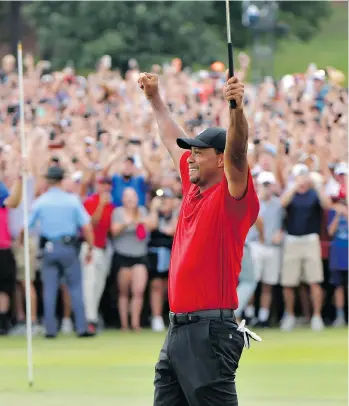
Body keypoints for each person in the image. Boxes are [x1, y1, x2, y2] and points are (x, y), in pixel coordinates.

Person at [138, 71, 260, 406]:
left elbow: (237, 151)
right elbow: (169, 135)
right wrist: (155, 99)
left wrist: (235, 108)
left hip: (209, 332)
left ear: (219, 160)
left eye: (199, 152)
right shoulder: (194, 186)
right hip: (179, 329)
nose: (190, 156)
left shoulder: (230, 196)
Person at [25, 166, 95, 338]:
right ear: (62, 180)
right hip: (68, 247)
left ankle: (50, 329)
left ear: (48, 180)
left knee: (49, 289)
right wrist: (91, 248)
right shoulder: (72, 200)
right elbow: (86, 226)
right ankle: (81, 327)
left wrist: (21, 242)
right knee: (76, 287)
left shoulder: (41, 201)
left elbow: (26, 227)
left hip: (49, 247)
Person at [280, 164, 331, 331]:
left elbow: (327, 205)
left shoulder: (314, 193)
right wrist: (294, 186)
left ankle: (317, 317)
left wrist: (317, 186)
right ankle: (290, 315)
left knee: (314, 281)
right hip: (292, 239)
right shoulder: (291, 193)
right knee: (288, 283)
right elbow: (282, 203)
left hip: (310, 239)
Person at [111, 187, 157, 331]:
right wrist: (129, 223)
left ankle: (135, 323)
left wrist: (145, 217)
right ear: (123, 199)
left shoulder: (142, 211)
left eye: (133, 196)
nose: (131, 199)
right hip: (123, 256)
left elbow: (152, 225)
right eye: (127, 196)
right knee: (124, 292)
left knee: (138, 291)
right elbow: (114, 230)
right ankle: (124, 324)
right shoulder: (117, 212)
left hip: (139, 256)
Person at [82, 175, 114, 333]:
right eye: (103, 184)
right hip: (90, 247)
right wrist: (101, 205)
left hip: (103, 247)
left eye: (108, 184)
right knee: (90, 284)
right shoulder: (90, 201)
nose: (106, 187)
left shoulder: (111, 205)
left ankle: (92, 317)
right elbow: (90, 224)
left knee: (99, 285)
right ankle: (90, 319)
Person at [148, 189, 179, 332]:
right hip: (155, 253)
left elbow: (171, 230)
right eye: (161, 199)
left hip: (173, 253)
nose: (164, 202)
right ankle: (156, 317)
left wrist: (176, 208)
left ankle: (171, 316)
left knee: (170, 288)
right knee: (156, 285)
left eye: (167, 198)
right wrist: (154, 209)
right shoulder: (154, 214)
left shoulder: (176, 213)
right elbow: (152, 226)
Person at [0, 170, 24, 334]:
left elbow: (13, 202)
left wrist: (20, 180)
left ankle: (2, 324)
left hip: (2, 247)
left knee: (3, 288)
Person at [327, 197, 348, 327]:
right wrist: (337, 216)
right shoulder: (332, 214)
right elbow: (330, 231)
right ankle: (340, 316)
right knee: (338, 286)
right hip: (337, 256)